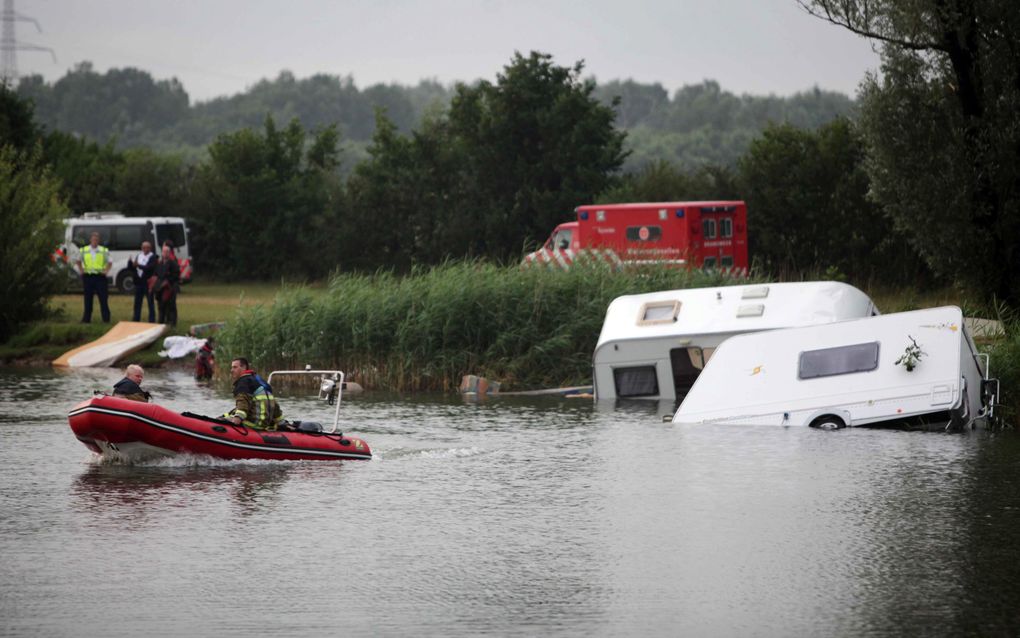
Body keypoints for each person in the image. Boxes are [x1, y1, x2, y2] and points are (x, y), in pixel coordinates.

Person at [226, 357, 283, 430]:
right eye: (232, 368)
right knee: (226, 416)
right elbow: (274, 405)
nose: (231, 370)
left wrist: (236, 421)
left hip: (253, 424)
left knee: (222, 420)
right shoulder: (258, 381)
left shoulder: (243, 383)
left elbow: (242, 406)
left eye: (235, 367)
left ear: (243, 367)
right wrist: (281, 423)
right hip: (265, 424)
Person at [75, 231, 111, 323]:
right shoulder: (84, 250)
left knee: (103, 299)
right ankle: (86, 319)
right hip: (88, 277)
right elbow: (78, 260)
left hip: (100, 278)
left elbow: (110, 262)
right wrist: (81, 270)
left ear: (99, 240)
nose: (95, 241)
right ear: (90, 239)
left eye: (97, 239)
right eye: (93, 239)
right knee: (88, 299)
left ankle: (106, 319)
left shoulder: (103, 250)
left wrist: (106, 271)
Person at [129, 241, 158, 323]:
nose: (145, 249)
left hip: (148, 282)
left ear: (150, 248)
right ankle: (136, 319)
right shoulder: (139, 256)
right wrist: (130, 263)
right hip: (139, 282)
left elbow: (150, 267)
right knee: (137, 302)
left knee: (150, 302)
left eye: (147, 247)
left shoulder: (153, 257)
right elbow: (134, 267)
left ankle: (152, 320)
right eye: (143, 247)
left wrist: (138, 265)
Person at [152, 240, 180, 327]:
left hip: (170, 287)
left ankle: (171, 322)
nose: (165, 253)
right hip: (160, 288)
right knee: (161, 305)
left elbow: (176, 275)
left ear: (169, 252)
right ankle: (161, 321)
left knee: (171, 305)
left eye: (167, 252)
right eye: (164, 251)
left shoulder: (173, 263)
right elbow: (156, 273)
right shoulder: (159, 263)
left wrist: (167, 281)